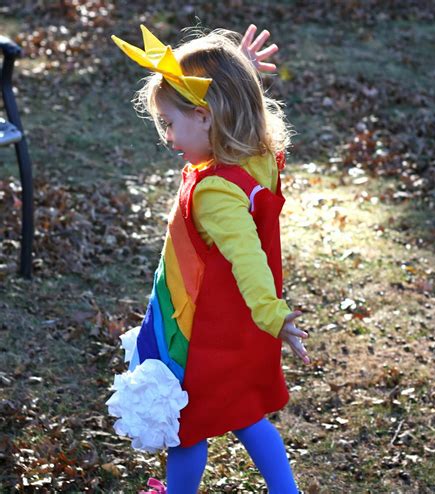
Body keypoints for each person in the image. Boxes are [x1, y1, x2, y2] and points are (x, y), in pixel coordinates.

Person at [108, 23, 310, 494]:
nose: (166, 136)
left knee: (186, 422)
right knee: (245, 414)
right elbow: (233, 110)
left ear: (206, 116)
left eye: (169, 122)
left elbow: (248, 257)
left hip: (202, 330)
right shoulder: (254, 156)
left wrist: (273, 312)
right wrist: (237, 73)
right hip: (237, 326)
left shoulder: (216, 190)